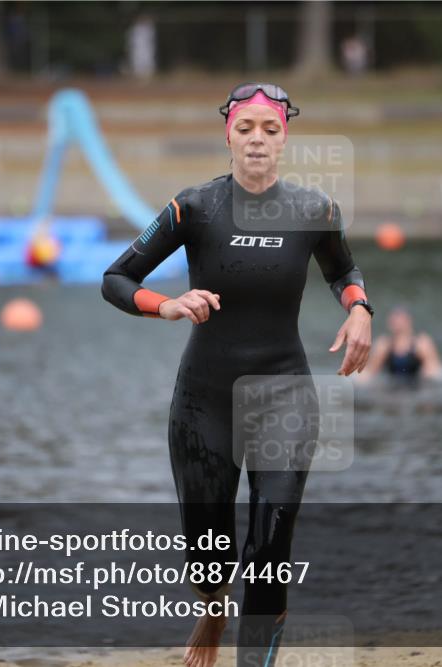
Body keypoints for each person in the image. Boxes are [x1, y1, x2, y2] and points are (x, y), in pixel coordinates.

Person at [102, 82, 373, 667]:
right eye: (245, 129)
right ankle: (212, 603)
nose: (257, 140)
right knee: (208, 556)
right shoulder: (194, 208)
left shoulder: (314, 211)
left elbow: (343, 268)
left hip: (285, 393)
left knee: (272, 543)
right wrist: (166, 304)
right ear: (228, 134)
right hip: (205, 402)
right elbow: (116, 278)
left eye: (269, 130)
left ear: (284, 140)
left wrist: (359, 309)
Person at [357, 306, 442, 386]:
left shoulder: (422, 344)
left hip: (416, 386)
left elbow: (434, 371)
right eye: (394, 321)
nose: (397, 324)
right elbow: (370, 372)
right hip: (392, 386)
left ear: (408, 321)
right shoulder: (384, 345)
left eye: (399, 320)